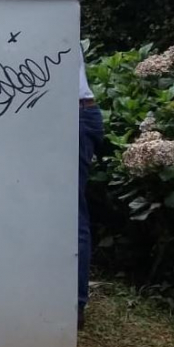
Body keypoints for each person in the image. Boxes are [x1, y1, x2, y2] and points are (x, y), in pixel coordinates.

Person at [77, 49, 104, 330]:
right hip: (74, 112)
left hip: (74, 114)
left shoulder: (51, 10)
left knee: (70, 214)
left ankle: (73, 303)